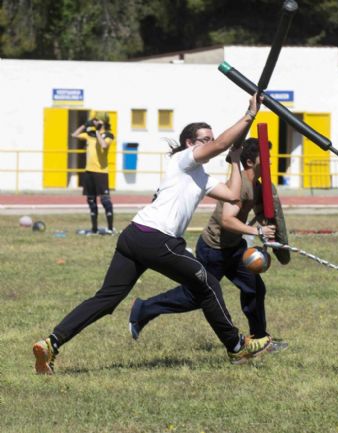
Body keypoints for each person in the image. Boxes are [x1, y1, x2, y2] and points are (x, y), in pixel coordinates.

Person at [32, 94, 273, 374]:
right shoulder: (184, 161)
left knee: (107, 299)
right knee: (208, 284)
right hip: (156, 238)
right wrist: (249, 114)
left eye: (211, 138)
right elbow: (220, 144)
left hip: (134, 236)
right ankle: (236, 347)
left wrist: (234, 159)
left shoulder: (202, 178)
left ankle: (51, 343)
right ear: (189, 143)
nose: (210, 142)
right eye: (204, 139)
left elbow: (232, 194)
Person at [128, 138, 288, 352]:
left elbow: (259, 211)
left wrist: (269, 228)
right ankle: (145, 309)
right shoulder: (239, 185)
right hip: (214, 250)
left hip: (233, 248)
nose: (270, 161)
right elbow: (227, 220)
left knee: (255, 288)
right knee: (195, 297)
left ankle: (260, 339)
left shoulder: (257, 186)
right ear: (249, 162)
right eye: (265, 157)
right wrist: (257, 231)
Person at [72, 112, 116, 235]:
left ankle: (110, 228)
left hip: (101, 172)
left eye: (96, 120)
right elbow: (74, 135)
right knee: (91, 200)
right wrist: (84, 125)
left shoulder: (108, 135)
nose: (94, 121)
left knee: (105, 201)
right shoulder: (89, 134)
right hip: (89, 172)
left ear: (102, 122)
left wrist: (97, 131)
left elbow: (103, 145)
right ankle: (94, 229)